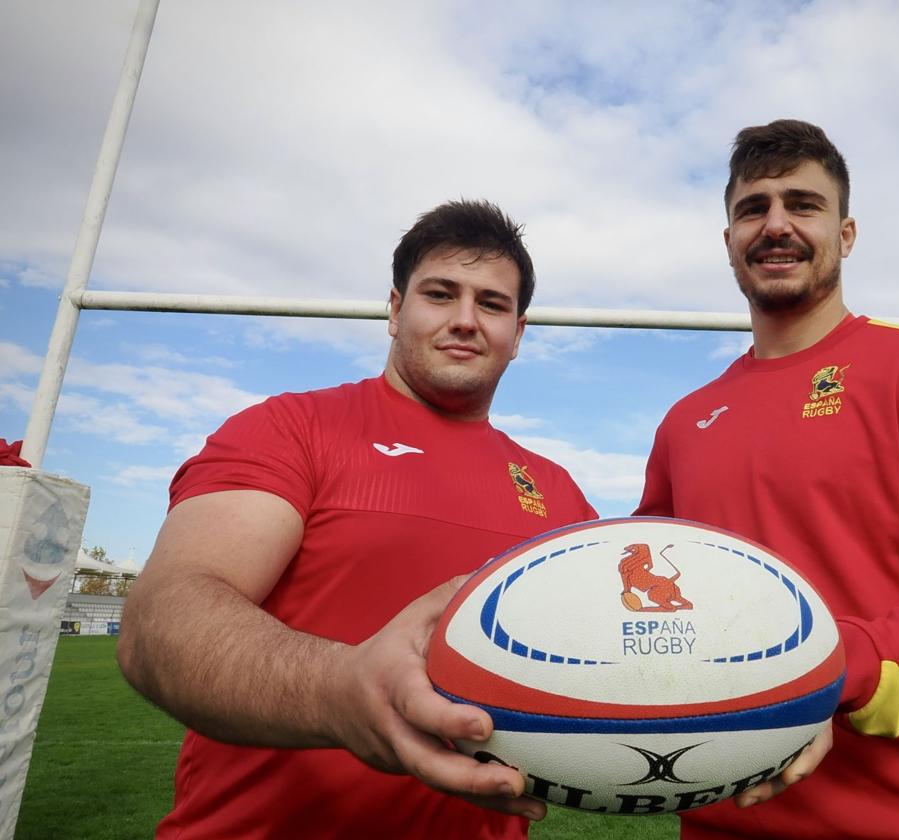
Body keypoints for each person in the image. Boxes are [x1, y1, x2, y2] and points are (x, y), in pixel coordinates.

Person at [117, 199, 597, 839]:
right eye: (439, 294)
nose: (464, 320)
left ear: (519, 332)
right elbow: (161, 619)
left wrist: (758, 728)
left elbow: (615, 660)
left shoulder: (559, 493)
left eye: (491, 303)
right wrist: (339, 690)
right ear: (395, 310)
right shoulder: (292, 428)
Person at [635, 120, 899, 839]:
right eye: (752, 209)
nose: (776, 226)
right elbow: (649, 613)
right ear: (728, 239)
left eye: (803, 204)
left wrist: (830, 671)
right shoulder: (685, 421)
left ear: (846, 233)